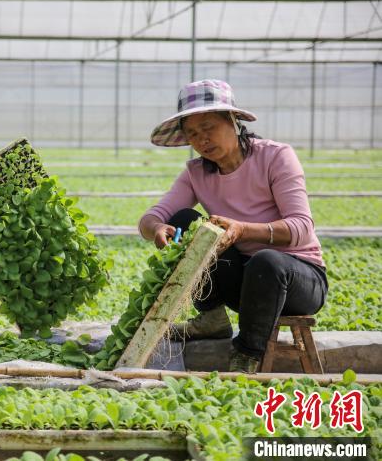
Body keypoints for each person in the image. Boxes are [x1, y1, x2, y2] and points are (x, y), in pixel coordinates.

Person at [139, 79, 328, 372]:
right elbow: (153, 217)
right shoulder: (196, 173)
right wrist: (156, 229)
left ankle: (248, 353)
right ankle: (212, 318)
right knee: (183, 221)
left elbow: (300, 227)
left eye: (209, 127)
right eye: (192, 134)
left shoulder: (275, 156)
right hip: (243, 285)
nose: (202, 139)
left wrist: (242, 229)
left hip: (295, 279)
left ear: (233, 120)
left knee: (265, 262)